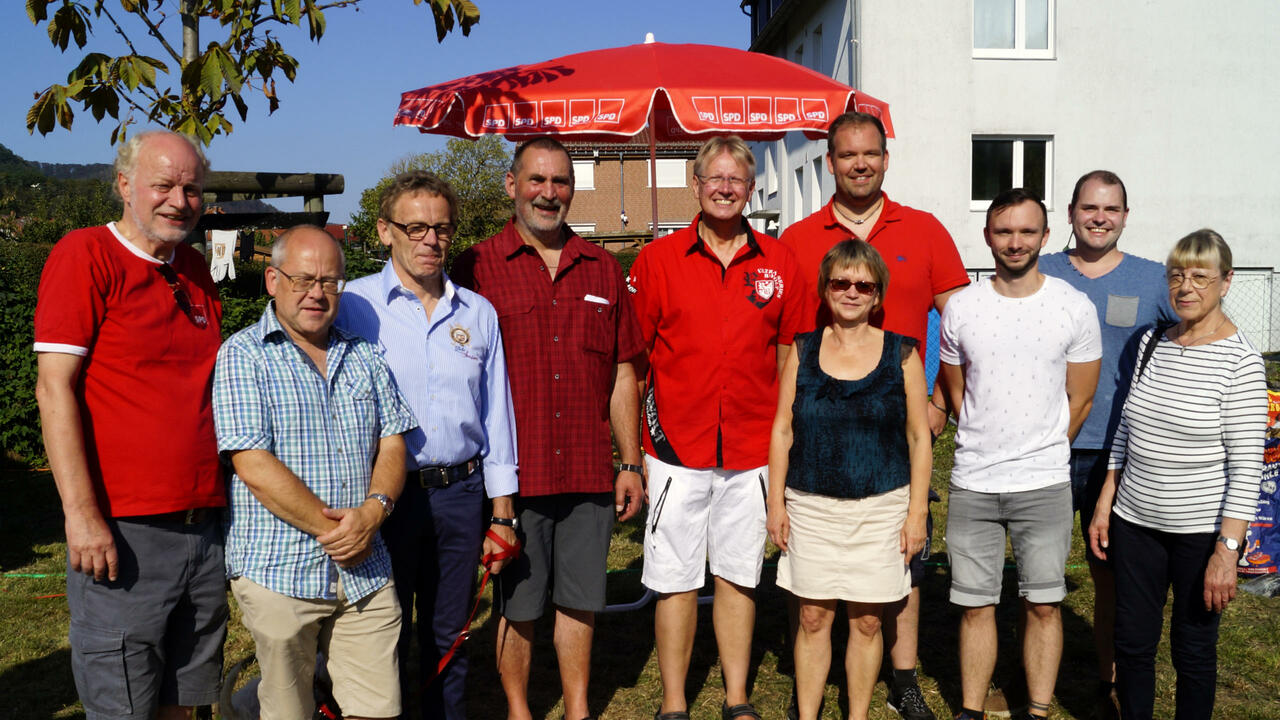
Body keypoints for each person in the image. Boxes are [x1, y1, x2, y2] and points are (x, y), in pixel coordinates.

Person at [779, 111, 969, 720]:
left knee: (896, 581)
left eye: (870, 153)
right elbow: (783, 339)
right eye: (846, 154)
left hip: (896, 426)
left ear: (886, 158)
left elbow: (963, 328)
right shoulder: (799, 237)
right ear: (829, 161)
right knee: (817, 601)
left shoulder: (925, 229)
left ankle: (903, 675)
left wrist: (939, 401)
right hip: (819, 440)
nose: (859, 163)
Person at [34, 130, 226, 720]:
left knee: (185, 700)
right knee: (122, 702)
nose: (179, 200)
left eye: (192, 188)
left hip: (205, 528)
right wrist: (81, 514)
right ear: (124, 184)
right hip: (124, 530)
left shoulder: (193, 267)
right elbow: (54, 388)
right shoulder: (85, 254)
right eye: (163, 185)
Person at [452, 136, 645, 720]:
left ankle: (579, 707)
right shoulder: (475, 267)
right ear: (512, 186)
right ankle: (518, 708)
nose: (548, 192)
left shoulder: (603, 268)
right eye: (536, 180)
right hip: (516, 470)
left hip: (587, 465)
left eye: (560, 182)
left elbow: (622, 369)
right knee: (519, 602)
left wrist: (630, 461)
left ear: (573, 189)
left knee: (582, 599)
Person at [626, 135, 805, 720]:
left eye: (737, 180)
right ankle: (674, 702)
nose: (726, 189)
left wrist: (783, 437)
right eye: (714, 179)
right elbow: (638, 360)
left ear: (751, 190)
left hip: (754, 450)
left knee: (737, 575)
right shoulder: (658, 260)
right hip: (677, 448)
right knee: (675, 580)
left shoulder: (779, 261)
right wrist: (640, 450)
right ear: (696, 186)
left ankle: (736, 697)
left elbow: (789, 356)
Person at [212, 226, 416, 720]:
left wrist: (373, 513)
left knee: (378, 710)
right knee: (288, 711)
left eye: (329, 281)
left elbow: (393, 443)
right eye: (302, 279)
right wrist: (343, 531)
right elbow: (252, 463)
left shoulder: (363, 355)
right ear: (272, 281)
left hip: (365, 572)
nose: (316, 293)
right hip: (280, 570)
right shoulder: (243, 355)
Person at [338, 171, 518, 720]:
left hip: (459, 495)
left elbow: (497, 413)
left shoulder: (477, 313)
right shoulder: (355, 307)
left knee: (450, 632)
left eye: (441, 228)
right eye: (415, 226)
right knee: (381, 629)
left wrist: (503, 511)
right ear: (384, 230)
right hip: (383, 498)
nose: (430, 240)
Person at [1089, 229, 1266, 720]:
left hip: (1199, 533)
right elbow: (1127, 428)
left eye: (1201, 277)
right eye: (1177, 276)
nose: (1186, 287)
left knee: (1192, 651)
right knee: (1133, 644)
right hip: (1135, 523)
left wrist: (1226, 553)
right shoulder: (1151, 343)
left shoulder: (1241, 364)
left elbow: (1248, 467)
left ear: (1226, 282)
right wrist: (1107, 500)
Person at [938, 188, 1101, 720]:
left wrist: (1045, 444)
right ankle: (970, 709)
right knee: (974, 605)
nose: (1015, 242)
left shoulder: (1073, 307)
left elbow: (1082, 397)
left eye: (1027, 231)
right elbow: (959, 393)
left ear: (1046, 237)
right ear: (987, 236)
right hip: (974, 481)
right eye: (1004, 231)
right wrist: (987, 439)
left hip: (1045, 481)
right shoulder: (962, 306)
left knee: (1044, 603)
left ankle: (1036, 706)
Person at [766, 239, 932, 720]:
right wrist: (776, 504)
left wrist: (916, 513)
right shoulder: (803, 349)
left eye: (864, 284)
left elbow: (920, 438)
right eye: (841, 282)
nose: (852, 291)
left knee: (865, 621)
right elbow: (781, 429)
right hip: (811, 505)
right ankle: (809, 712)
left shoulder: (902, 354)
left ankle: (857, 715)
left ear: (878, 295)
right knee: (813, 617)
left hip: (882, 506)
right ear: (825, 289)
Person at [1038, 170, 1176, 719]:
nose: (1099, 218)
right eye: (1089, 208)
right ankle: (1033, 682)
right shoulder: (1041, 271)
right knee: (1038, 573)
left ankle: (1110, 681)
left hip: (1120, 457)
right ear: (1070, 213)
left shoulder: (1152, 282)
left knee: (1112, 572)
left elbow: (1198, 330)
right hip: (1046, 446)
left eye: (1111, 209)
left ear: (1125, 215)